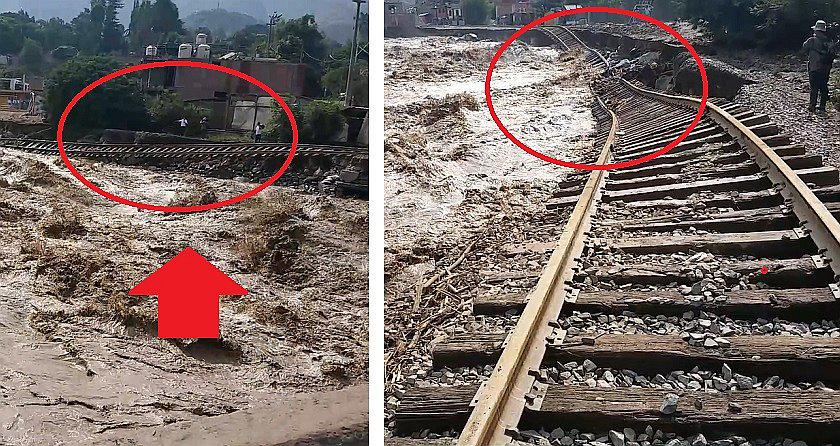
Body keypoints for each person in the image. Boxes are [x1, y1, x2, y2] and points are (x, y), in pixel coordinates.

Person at [802, 20, 838, 115]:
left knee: (814, 87)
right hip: (826, 68)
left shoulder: (812, 40)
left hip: (814, 67)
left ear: (816, 30)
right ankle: (822, 107)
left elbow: (804, 47)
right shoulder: (829, 42)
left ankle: (812, 106)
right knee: (823, 87)